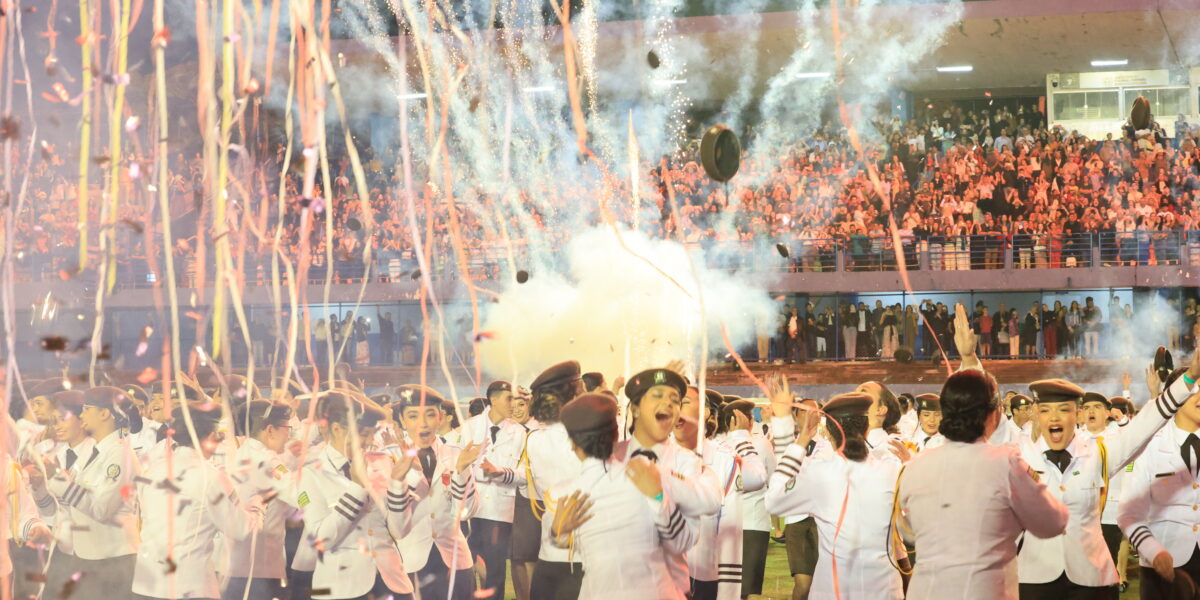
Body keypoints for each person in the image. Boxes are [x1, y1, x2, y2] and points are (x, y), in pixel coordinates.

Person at [1017, 352, 1200, 600]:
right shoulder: (1018, 453)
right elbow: (980, 424)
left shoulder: (1099, 453)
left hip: (1091, 577)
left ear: (1077, 415)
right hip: (1034, 577)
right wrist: (968, 358)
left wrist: (1189, 378)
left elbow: (1146, 422)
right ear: (1037, 414)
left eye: (1063, 409)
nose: (1055, 417)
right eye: (1046, 410)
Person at [547, 392, 697, 600]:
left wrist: (557, 533)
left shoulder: (562, 494)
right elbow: (682, 542)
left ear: (573, 443)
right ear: (616, 436)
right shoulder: (647, 477)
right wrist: (659, 498)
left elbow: (565, 548)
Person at [766, 386, 906, 600]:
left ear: (829, 433)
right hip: (884, 588)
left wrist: (801, 442)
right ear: (867, 428)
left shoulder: (817, 472)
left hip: (833, 589)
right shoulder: (893, 468)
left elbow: (774, 502)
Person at [132, 404, 263, 600]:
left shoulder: (153, 470)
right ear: (209, 437)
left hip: (147, 584)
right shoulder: (210, 477)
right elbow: (239, 529)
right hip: (189, 585)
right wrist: (257, 506)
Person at [295, 392, 416, 600]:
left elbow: (400, 530)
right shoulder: (310, 475)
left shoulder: (382, 462)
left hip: (392, 583)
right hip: (342, 588)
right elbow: (321, 540)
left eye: (371, 433)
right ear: (336, 429)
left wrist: (397, 482)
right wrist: (357, 489)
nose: (369, 441)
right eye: (362, 433)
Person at [614, 367, 724, 595]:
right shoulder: (611, 457)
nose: (667, 405)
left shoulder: (687, 463)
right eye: (656, 397)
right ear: (634, 409)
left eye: (675, 401)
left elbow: (687, 536)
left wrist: (659, 486)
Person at [42, 387, 142, 600]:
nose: (82, 414)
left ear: (105, 414)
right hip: (89, 554)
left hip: (113, 557)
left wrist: (59, 479)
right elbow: (73, 504)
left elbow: (101, 509)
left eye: (87, 409)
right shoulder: (96, 452)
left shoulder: (119, 453)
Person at [390, 384, 483, 600]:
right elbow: (396, 525)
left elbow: (466, 512)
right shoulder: (389, 457)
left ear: (440, 418)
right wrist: (408, 476)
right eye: (413, 416)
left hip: (454, 559)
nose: (422, 423)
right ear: (403, 420)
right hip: (411, 561)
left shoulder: (456, 454)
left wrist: (461, 472)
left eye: (430, 415)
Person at [1118, 367, 1200, 599]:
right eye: (1195, 389)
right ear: (1175, 396)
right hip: (1163, 563)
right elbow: (1128, 513)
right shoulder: (1148, 444)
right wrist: (1153, 551)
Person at [522, 361, 588, 600]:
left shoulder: (534, 439)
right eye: (581, 387)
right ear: (573, 393)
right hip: (586, 556)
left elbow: (539, 495)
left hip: (549, 551)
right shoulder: (590, 436)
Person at [223, 400, 300, 600]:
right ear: (270, 430)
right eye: (287, 428)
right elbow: (298, 495)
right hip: (259, 567)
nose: (288, 435)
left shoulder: (247, 452)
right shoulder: (265, 460)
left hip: (241, 562)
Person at [462, 380, 526, 599]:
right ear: (494, 399)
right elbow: (460, 464)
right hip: (471, 507)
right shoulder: (471, 426)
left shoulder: (519, 432)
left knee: (496, 570)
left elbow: (524, 475)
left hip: (500, 509)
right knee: (466, 566)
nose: (514, 404)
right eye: (509, 399)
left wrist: (500, 472)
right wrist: (482, 473)